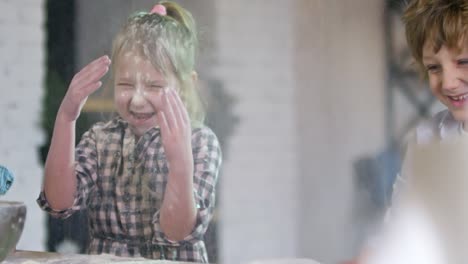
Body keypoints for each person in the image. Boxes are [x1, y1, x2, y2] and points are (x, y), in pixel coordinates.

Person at [37, 2, 222, 262]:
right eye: (125, 84)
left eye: (154, 85)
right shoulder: (100, 140)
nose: (136, 100)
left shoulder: (201, 143)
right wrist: (66, 117)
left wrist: (180, 162)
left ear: (185, 85)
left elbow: (177, 233)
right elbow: (58, 203)